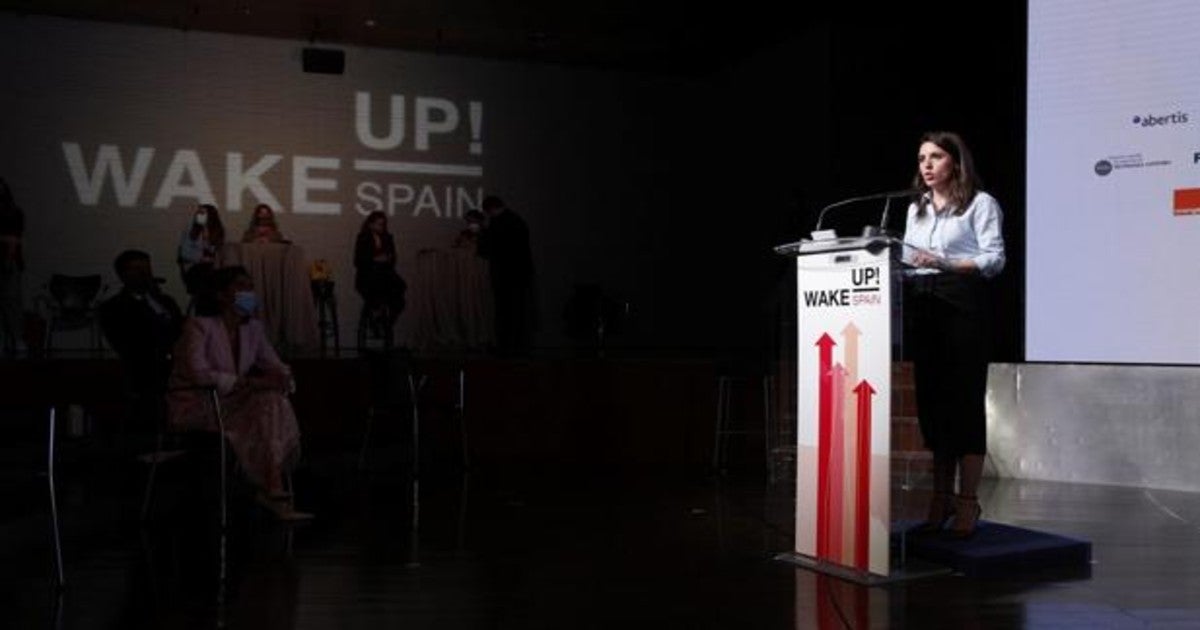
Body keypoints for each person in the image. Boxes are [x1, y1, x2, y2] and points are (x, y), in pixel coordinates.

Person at [902, 131, 1006, 539]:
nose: (926, 166)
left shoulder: (980, 204)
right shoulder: (917, 209)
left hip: (962, 305)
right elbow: (912, 257)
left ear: (955, 163)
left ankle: (968, 501)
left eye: (936, 157)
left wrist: (945, 264)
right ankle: (940, 497)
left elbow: (994, 259)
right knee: (934, 406)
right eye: (921, 157)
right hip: (923, 304)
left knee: (963, 404)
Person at [168, 265, 310, 520]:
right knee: (266, 403)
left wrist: (281, 378)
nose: (249, 293)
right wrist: (249, 383)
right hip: (201, 404)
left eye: (250, 288)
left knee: (272, 401)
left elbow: (276, 365)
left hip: (235, 404)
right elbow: (199, 373)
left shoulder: (252, 329)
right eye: (242, 287)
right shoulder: (199, 327)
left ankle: (272, 482)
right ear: (222, 294)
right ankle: (272, 484)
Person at [99, 250, 184, 408]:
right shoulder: (113, 308)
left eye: (147, 269)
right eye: (137, 269)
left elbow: (180, 329)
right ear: (123, 275)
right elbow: (129, 342)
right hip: (142, 372)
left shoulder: (166, 302)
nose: (145, 274)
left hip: (175, 368)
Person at [477, 196, 534, 356]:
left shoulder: (497, 224)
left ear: (489, 210)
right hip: (520, 275)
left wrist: (485, 230)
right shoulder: (517, 220)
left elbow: (485, 250)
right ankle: (516, 345)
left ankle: (506, 346)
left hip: (505, 275)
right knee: (517, 312)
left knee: (505, 312)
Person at [353, 211, 407, 335]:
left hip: (386, 276)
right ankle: (376, 318)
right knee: (375, 295)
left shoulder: (388, 237)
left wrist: (387, 258)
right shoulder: (363, 238)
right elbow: (358, 260)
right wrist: (374, 259)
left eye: (383, 224)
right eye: (378, 224)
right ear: (370, 225)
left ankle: (385, 323)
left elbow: (393, 258)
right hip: (368, 278)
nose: (381, 227)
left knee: (399, 299)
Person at [178, 203, 226, 300]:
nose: (200, 216)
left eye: (203, 214)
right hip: (194, 268)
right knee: (207, 275)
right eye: (199, 213)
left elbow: (218, 253)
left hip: (212, 267)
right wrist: (201, 259)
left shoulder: (216, 230)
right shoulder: (191, 229)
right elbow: (185, 254)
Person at [0, 177, 24, 355]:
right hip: (10, 261)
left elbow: (14, 240)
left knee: (12, 303)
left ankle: (17, 340)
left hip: (9, 263)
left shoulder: (14, 213)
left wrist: (9, 260)